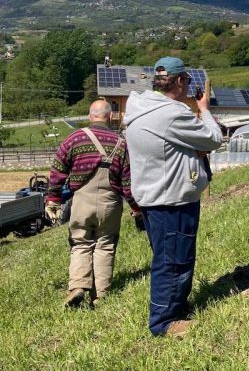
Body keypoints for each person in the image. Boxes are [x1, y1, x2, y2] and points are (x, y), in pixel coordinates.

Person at [124, 57, 222, 337]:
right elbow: (213, 138)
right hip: (173, 199)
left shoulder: (139, 107)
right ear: (179, 81)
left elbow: (166, 147)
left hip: (152, 196)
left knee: (167, 256)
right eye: (188, 82)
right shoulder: (171, 114)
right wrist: (204, 110)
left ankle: (175, 306)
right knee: (174, 261)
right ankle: (164, 322)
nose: (189, 87)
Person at [47, 99, 139, 308]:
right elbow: (128, 182)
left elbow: (58, 170)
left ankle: (78, 286)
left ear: (90, 116)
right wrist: (135, 207)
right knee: (105, 245)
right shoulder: (121, 143)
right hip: (110, 203)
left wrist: (53, 199)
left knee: (80, 243)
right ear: (110, 117)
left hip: (81, 200)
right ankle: (101, 296)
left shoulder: (75, 138)